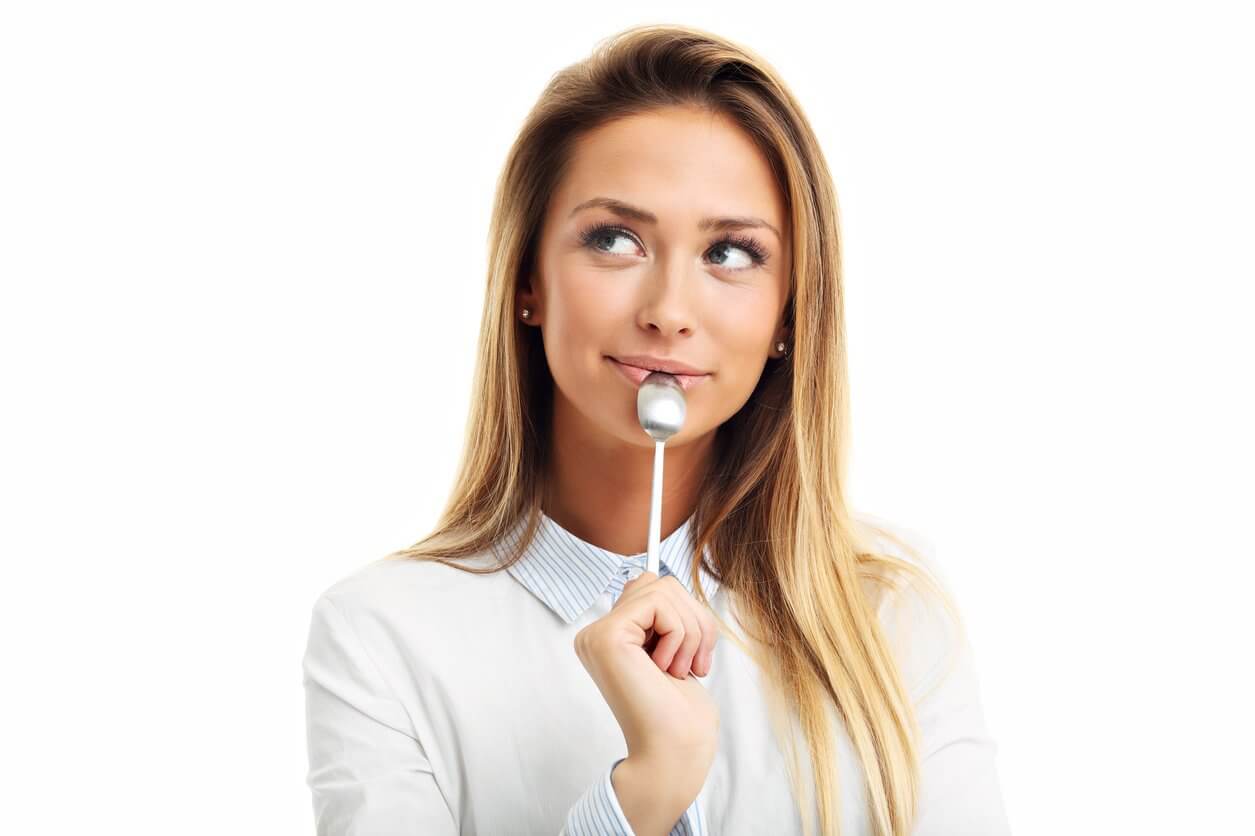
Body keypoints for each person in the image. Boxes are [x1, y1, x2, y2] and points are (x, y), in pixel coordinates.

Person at [301, 22, 1011, 836]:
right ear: (528, 281)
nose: (669, 312)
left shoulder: (887, 614)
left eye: (732, 253)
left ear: (788, 313)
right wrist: (641, 795)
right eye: (615, 240)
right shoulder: (384, 635)